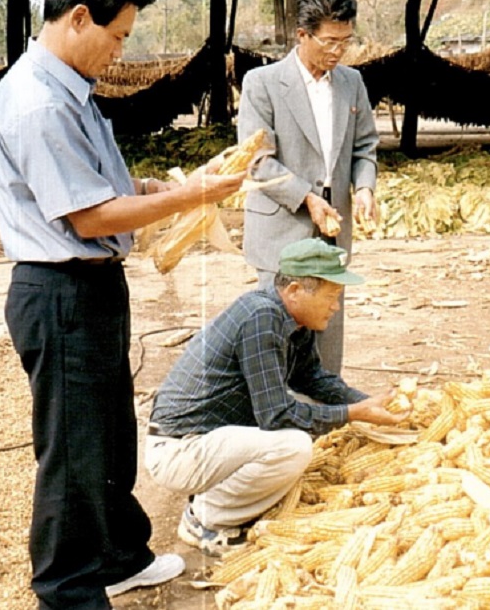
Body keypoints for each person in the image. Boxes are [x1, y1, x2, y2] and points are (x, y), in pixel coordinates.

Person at [0, 0, 245, 610]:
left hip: (94, 287)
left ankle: (119, 556)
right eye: (119, 35)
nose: (120, 51)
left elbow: (99, 186)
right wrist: (191, 197)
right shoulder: (37, 101)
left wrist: (149, 187)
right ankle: (67, 589)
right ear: (79, 18)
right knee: (73, 451)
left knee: (107, 432)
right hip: (58, 291)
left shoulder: (69, 91)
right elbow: (92, 213)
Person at [145, 238, 405, 557]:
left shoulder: (294, 320)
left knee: (306, 419)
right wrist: (354, 413)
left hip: (209, 441)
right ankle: (204, 519)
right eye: (331, 296)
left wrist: (367, 401)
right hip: (178, 449)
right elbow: (276, 415)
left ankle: (216, 500)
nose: (336, 306)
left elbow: (312, 378)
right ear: (295, 291)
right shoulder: (261, 317)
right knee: (293, 446)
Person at [237, 0, 380, 376]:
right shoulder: (262, 84)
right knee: (278, 330)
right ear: (302, 35)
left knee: (327, 328)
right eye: (329, 42)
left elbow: (365, 145)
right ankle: (279, 422)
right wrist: (307, 199)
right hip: (283, 232)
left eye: (345, 42)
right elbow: (257, 161)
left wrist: (364, 187)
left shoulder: (351, 83)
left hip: (331, 234)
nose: (337, 52)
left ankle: (328, 420)